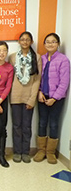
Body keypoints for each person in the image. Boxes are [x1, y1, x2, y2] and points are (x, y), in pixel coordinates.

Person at [34, 33, 70, 164]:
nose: (50, 44)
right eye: (47, 42)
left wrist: (54, 98)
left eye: (53, 42)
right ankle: (41, 150)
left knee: (54, 124)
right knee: (42, 123)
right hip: (42, 96)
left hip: (57, 98)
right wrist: (39, 92)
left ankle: (50, 152)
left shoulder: (63, 60)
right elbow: (37, 78)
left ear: (58, 44)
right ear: (44, 44)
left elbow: (64, 82)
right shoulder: (41, 59)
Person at [8, 31, 42, 163]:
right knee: (16, 126)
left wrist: (32, 99)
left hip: (29, 97)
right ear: (19, 42)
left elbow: (37, 79)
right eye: (22, 39)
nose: (25, 42)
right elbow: (9, 78)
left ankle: (25, 152)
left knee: (27, 126)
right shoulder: (12, 57)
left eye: (27, 40)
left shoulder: (37, 57)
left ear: (31, 42)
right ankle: (17, 151)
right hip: (15, 96)